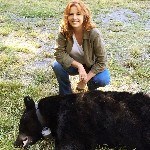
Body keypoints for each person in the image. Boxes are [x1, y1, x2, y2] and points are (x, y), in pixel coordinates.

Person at [52, 0, 110, 95]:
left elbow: (102, 61)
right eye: (71, 14)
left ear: (84, 16)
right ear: (67, 16)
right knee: (57, 66)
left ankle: (91, 93)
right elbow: (58, 53)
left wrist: (84, 81)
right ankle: (65, 95)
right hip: (73, 65)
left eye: (78, 14)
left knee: (103, 79)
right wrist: (79, 66)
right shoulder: (64, 31)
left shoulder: (94, 33)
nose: (74, 18)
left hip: (91, 65)